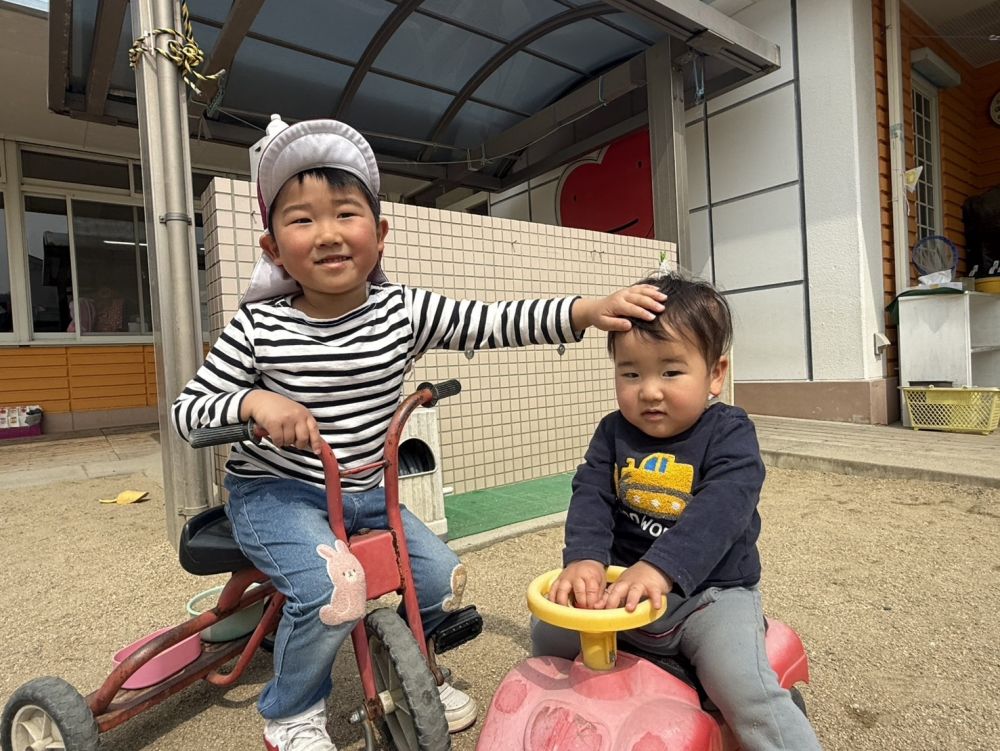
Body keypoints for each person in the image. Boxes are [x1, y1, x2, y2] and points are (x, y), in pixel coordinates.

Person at [171, 118, 666, 751]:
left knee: (439, 581)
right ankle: (291, 712)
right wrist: (253, 401)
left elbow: (492, 320)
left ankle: (418, 672)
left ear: (378, 236)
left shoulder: (401, 311)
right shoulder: (257, 328)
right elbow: (190, 413)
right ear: (272, 248)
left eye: (345, 215)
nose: (326, 234)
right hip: (278, 494)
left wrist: (585, 311)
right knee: (332, 588)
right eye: (301, 220)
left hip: (368, 494)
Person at [532, 272, 822, 751]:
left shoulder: (729, 433)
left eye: (670, 372)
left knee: (744, 688)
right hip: (624, 585)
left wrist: (661, 568)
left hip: (710, 594)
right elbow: (591, 495)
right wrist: (584, 559)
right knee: (549, 634)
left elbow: (723, 509)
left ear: (715, 374)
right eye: (631, 373)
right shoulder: (612, 433)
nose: (649, 391)